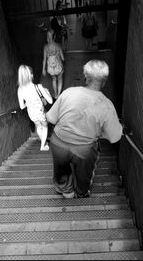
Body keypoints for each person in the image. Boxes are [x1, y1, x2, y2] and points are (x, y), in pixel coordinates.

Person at [46, 60, 123, 199]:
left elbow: (51, 118)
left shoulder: (68, 92)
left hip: (58, 143)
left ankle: (66, 190)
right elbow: (115, 137)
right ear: (104, 81)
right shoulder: (107, 105)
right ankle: (81, 192)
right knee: (83, 175)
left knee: (61, 169)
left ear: (86, 77)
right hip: (84, 150)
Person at [17, 65, 53, 151]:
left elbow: (22, 106)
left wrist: (29, 101)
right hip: (40, 112)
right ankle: (42, 146)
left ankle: (42, 141)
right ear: (31, 75)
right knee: (44, 126)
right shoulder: (38, 87)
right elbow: (50, 101)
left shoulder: (20, 89)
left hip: (31, 113)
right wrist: (46, 91)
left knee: (38, 126)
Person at [42, 30, 64, 99]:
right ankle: (59, 94)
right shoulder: (58, 45)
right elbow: (63, 58)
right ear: (54, 37)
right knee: (60, 79)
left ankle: (55, 94)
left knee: (54, 80)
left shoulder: (45, 47)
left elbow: (44, 59)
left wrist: (43, 69)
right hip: (59, 66)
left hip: (51, 68)